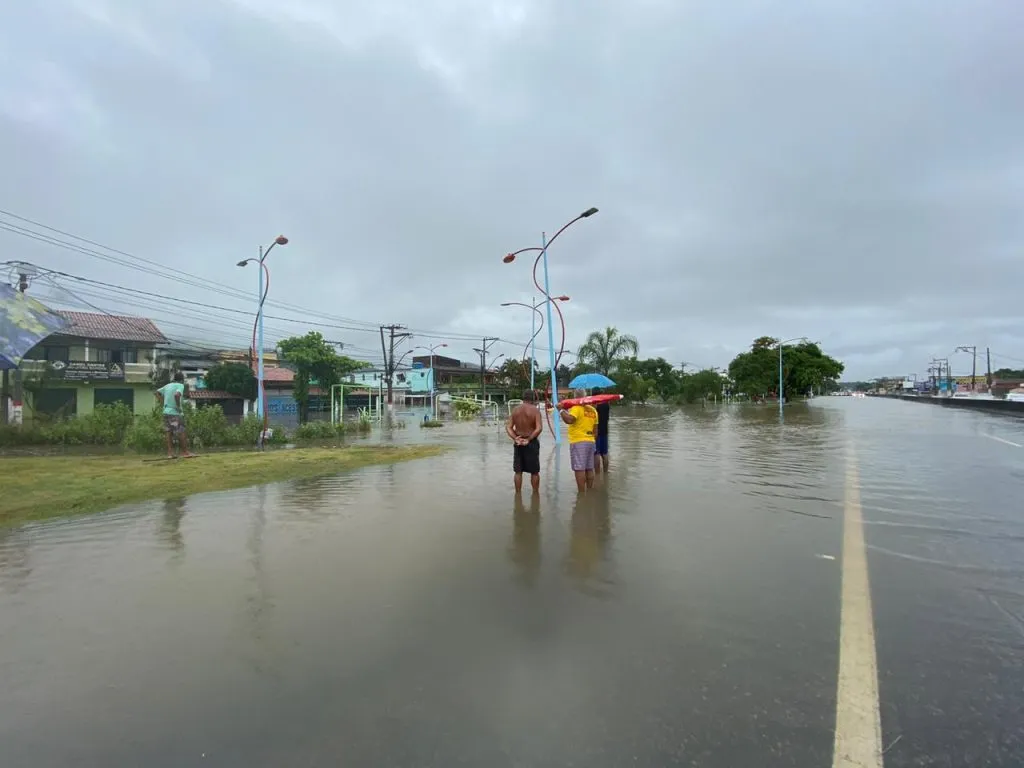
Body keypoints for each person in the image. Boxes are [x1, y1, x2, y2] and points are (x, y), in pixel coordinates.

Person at [558, 387, 598, 492]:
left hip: (578, 441)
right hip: (591, 441)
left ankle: (581, 493)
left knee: (579, 468)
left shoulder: (576, 408)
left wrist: (561, 410)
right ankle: (589, 491)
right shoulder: (593, 410)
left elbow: (570, 420)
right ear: (585, 396)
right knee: (589, 468)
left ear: (575, 397)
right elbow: (596, 431)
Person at [506, 389, 543, 493]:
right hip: (531, 442)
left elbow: (508, 427)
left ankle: (518, 495)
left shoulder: (515, 410)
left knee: (518, 472)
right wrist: (529, 439)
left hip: (518, 442)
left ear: (523, 398)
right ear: (533, 399)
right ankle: (535, 494)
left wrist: (515, 438)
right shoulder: (535, 410)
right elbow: (539, 428)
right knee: (534, 472)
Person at [155, 371, 193, 459]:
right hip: (175, 413)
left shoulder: (168, 385)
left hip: (166, 412)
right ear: (182, 380)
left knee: (168, 432)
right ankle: (185, 452)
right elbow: (177, 395)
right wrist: (178, 407)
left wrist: (162, 403)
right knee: (181, 431)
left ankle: (170, 453)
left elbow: (157, 392)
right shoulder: (180, 385)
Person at [592, 386, 611, 474]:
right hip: (605, 431)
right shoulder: (607, 403)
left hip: (596, 432)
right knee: (605, 453)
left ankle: (597, 474)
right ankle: (606, 473)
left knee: (596, 454)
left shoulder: (594, 405)